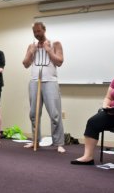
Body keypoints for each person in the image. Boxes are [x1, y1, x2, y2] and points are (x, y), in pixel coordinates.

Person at [22, 21, 66, 153]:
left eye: (38, 31)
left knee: (55, 114)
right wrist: (31, 52)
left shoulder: (55, 43)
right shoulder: (32, 45)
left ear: (44, 30)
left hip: (50, 81)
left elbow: (59, 62)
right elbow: (25, 64)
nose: (36, 34)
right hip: (35, 81)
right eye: (34, 32)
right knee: (33, 114)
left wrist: (49, 51)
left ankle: (59, 143)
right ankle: (35, 140)